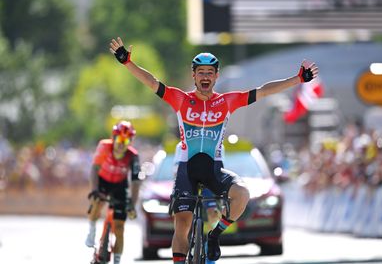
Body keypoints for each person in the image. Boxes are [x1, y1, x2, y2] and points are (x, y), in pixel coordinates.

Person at [109, 37, 318, 263]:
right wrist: (127, 63)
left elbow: (264, 91)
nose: (205, 77)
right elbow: (152, 83)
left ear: (216, 76)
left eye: (210, 72)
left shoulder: (227, 102)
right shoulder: (181, 99)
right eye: (201, 72)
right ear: (194, 76)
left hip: (214, 169)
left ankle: (214, 235)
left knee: (243, 194)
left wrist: (297, 79)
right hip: (187, 169)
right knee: (182, 224)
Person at [85, 120, 141, 264]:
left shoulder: (133, 156)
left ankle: (117, 261)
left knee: (119, 227)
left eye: (126, 140)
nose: (122, 143)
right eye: (120, 139)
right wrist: (94, 190)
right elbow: (94, 169)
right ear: (113, 138)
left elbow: (135, 182)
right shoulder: (104, 146)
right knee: (97, 201)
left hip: (119, 185)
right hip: (102, 180)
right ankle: (91, 230)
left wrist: (132, 204)